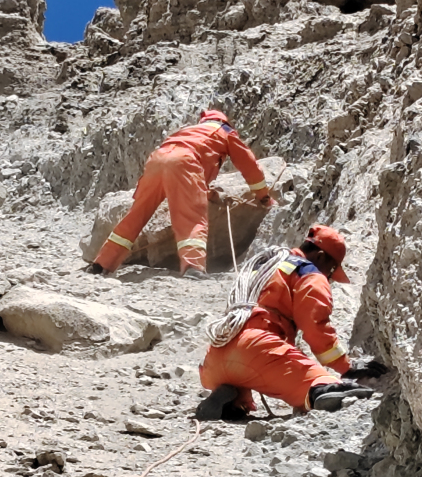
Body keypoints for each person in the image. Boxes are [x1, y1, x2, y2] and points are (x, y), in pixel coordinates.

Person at [196, 225, 384, 418]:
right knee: (321, 385)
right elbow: (314, 326)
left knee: (246, 372)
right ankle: (317, 391)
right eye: (332, 270)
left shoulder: (264, 266)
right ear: (320, 256)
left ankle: (234, 401)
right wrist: (346, 367)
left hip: (216, 356)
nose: (329, 277)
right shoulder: (308, 272)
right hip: (257, 349)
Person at [87, 110, 273, 279]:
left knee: (136, 214)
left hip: (157, 160)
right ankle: (193, 266)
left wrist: (206, 194)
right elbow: (250, 167)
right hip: (184, 161)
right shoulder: (224, 132)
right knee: (191, 216)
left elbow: (187, 181)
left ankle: (101, 264)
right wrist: (263, 196)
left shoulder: (189, 130)